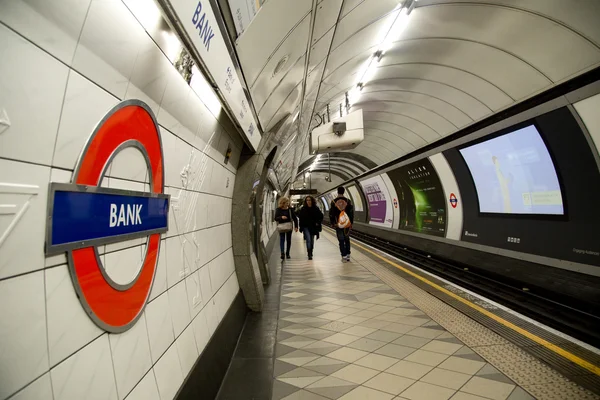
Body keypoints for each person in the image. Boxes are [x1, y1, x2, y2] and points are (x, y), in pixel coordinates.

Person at [329, 186, 354, 262]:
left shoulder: (333, 202)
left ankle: (344, 256)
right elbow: (351, 213)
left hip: (338, 224)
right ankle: (348, 255)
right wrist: (351, 223)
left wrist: (333, 223)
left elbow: (331, 214)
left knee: (341, 240)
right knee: (347, 239)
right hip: (346, 224)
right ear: (344, 191)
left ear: (337, 192)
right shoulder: (348, 201)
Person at [298, 196, 324, 260]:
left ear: (312, 201)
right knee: (308, 240)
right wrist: (300, 227)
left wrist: (318, 222)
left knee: (311, 240)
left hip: (313, 227)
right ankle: (309, 254)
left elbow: (321, 216)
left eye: (309, 200)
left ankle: (311, 251)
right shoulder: (303, 209)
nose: (308, 201)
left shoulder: (316, 208)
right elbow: (301, 218)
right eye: (307, 200)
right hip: (306, 226)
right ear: (305, 201)